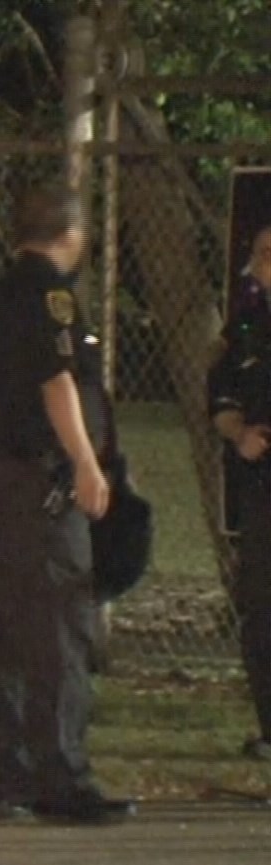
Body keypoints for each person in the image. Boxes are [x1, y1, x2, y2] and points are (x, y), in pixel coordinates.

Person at [0, 183, 134, 824]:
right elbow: (57, 381)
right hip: (45, 487)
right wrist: (87, 465)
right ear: (72, 234)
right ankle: (64, 779)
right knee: (61, 630)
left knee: (9, 630)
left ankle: (11, 778)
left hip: (5, 482)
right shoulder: (50, 300)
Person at [207, 224, 271, 761]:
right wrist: (239, 434)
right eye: (260, 255)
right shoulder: (245, 329)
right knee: (259, 605)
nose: (263, 264)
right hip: (262, 488)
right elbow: (222, 403)